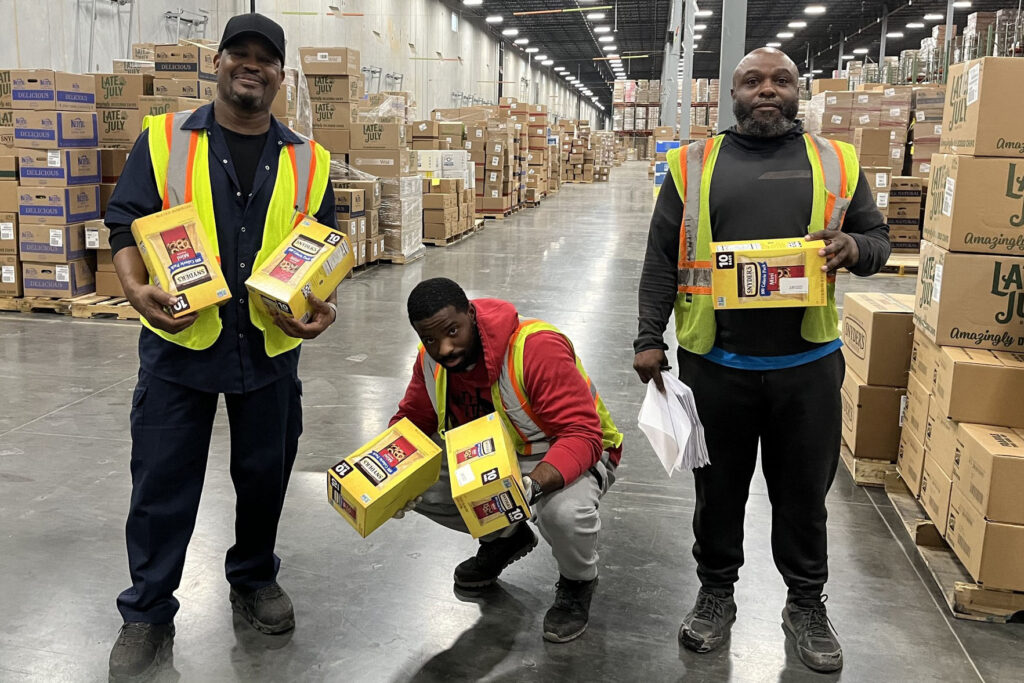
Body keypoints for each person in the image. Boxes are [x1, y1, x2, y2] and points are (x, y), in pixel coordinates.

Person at [633, 48, 890, 673]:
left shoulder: (836, 161)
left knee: (804, 495)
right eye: (752, 81)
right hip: (715, 364)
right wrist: (648, 336)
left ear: (797, 91)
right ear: (733, 93)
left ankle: (806, 603)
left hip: (807, 363)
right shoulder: (692, 165)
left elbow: (880, 242)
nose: (766, 90)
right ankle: (716, 594)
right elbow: (662, 256)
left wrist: (853, 246)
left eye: (780, 80)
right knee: (716, 491)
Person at [105, 13, 337, 681]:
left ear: (281, 75)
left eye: (266, 58)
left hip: (267, 350)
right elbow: (124, 220)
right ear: (218, 61)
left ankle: (254, 576)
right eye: (241, 52)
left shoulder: (308, 159)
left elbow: (323, 248)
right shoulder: (163, 140)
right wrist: (133, 288)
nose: (252, 65)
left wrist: (320, 307)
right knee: (160, 482)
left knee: (264, 476)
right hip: (179, 346)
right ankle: (147, 609)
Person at [390, 278, 623, 643]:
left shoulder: (534, 347)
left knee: (563, 513)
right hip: (493, 457)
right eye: (430, 339)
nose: (444, 348)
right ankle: (505, 538)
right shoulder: (430, 362)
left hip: (561, 452)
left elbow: (583, 434)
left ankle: (578, 582)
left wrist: (531, 486)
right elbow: (412, 423)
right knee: (410, 476)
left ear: (471, 314)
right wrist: (381, 476)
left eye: (453, 331)